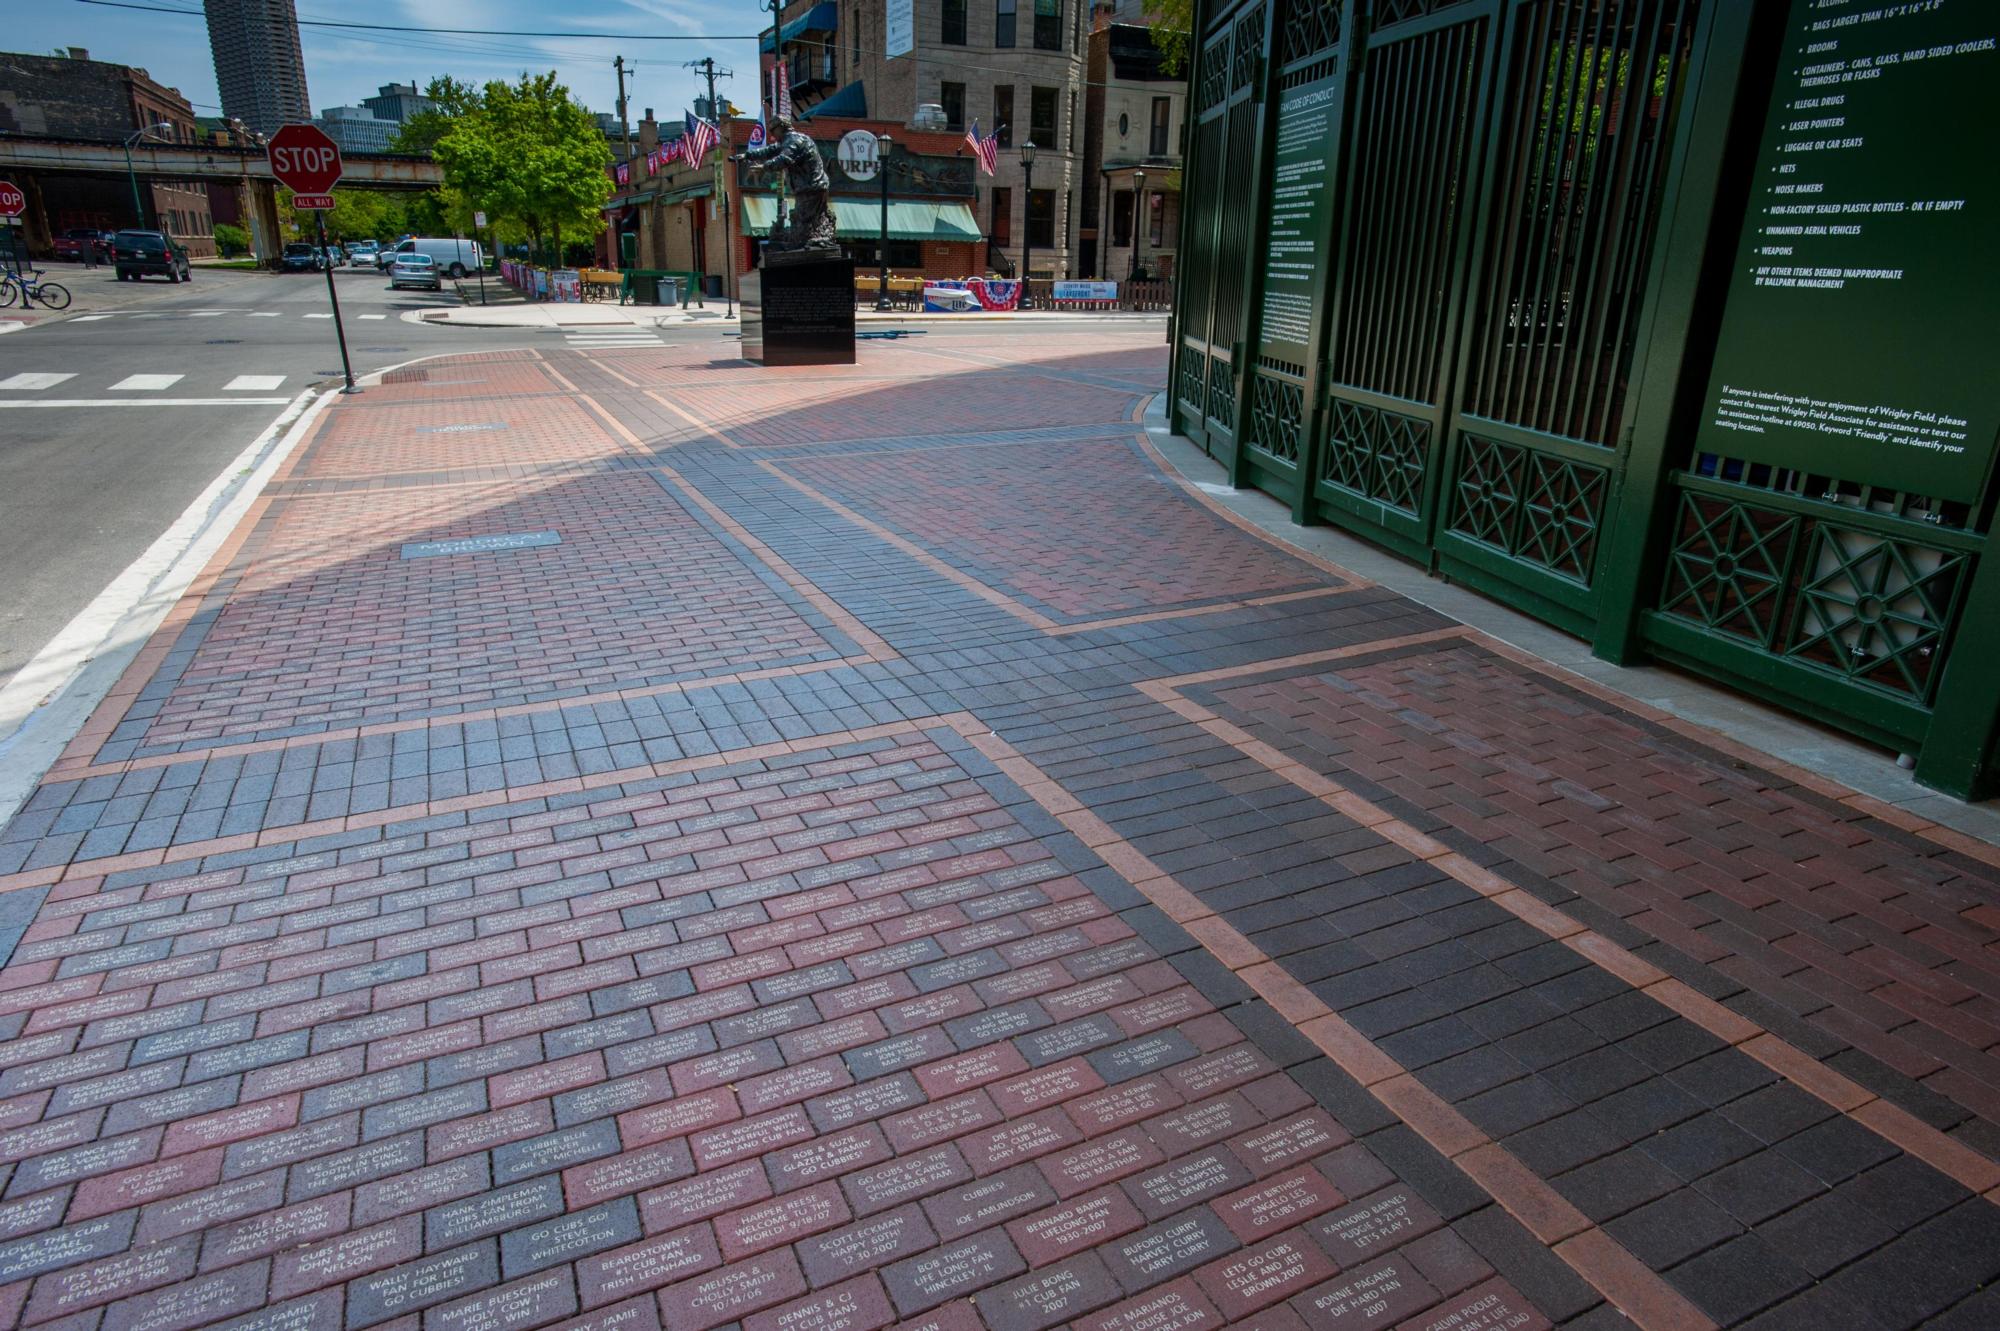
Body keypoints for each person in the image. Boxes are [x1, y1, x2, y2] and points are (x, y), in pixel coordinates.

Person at [740, 116, 836, 253]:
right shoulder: (788, 141)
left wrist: (764, 167)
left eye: (773, 130)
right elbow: (770, 150)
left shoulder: (794, 141)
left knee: (803, 222)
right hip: (811, 187)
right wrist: (747, 156)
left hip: (811, 188)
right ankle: (811, 246)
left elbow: (784, 159)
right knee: (807, 222)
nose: (772, 135)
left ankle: (809, 251)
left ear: (782, 127)